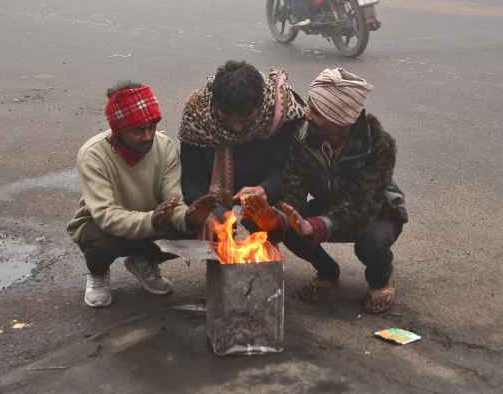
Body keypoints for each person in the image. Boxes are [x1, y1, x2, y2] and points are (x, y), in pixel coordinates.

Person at [240, 68, 408, 314]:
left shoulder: (379, 144)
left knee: (370, 244)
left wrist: (318, 225)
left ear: (339, 121)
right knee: (291, 228)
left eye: (317, 112)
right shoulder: (303, 139)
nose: (307, 115)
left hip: (377, 211)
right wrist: (278, 218)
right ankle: (328, 271)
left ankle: (381, 280)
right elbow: (293, 189)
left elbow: (363, 204)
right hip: (330, 205)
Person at [67, 81, 217, 308]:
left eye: (152, 127)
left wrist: (188, 217)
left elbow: (173, 200)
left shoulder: (164, 147)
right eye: (138, 130)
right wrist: (152, 221)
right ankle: (98, 273)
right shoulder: (93, 154)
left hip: (154, 219)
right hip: (104, 226)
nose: (147, 136)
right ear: (118, 130)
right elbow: (105, 215)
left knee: (199, 230)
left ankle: (143, 261)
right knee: (99, 244)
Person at [179, 61, 306, 219]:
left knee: (279, 221)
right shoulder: (196, 116)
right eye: (227, 119)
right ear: (215, 105)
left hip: (266, 188)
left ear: (260, 106)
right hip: (211, 194)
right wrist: (210, 212)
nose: (237, 128)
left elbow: (290, 169)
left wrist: (265, 189)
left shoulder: (281, 113)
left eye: (245, 119)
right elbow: (192, 179)